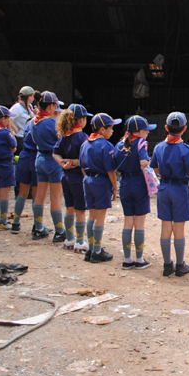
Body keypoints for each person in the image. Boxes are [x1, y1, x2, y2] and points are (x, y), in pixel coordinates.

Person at [151, 112, 189, 277]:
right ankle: (180, 265)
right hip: (179, 189)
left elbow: (155, 169)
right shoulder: (186, 150)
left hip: (164, 188)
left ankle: (167, 265)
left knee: (166, 227)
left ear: (166, 128)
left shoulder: (158, 147)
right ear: (185, 129)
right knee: (178, 228)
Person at [114, 116, 157, 270]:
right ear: (138, 132)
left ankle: (127, 259)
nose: (147, 133)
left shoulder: (119, 144)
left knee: (128, 222)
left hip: (124, 183)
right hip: (138, 183)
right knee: (139, 223)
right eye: (146, 130)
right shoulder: (141, 143)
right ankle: (139, 259)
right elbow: (144, 162)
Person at [79, 113, 121, 264]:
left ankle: (91, 249)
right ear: (102, 130)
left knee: (92, 215)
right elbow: (110, 170)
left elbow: (82, 166)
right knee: (100, 217)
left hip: (87, 180)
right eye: (111, 128)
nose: (112, 131)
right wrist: (115, 187)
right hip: (101, 181)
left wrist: (87, 178)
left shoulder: (85, 143)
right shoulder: (106, 145)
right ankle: (97, 251)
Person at [53, 104, 90, 250]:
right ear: (80, 120)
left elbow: (55, 153)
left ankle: (69, 239)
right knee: (80, 210)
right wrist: (76, 162)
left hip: (65, 176)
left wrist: (62, 163)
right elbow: (86, 158)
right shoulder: (82, 137)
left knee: (69, 208)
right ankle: (80, 242)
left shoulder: (64, 136)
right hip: (78, 177)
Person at [31, 92, 65, 241]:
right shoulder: (52, 123)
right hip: (53, 160)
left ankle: (38, 228)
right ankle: (59, 230)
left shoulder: (34, 121)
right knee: (56, 197)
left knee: (40, 195)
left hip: (40, 158)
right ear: (51, 106)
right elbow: (62, 141)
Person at [12, 92, 41, 236]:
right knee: (36, 194)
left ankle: (15, 223)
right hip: (36, 157)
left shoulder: (30, 122)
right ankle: (37, 226)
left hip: (24, 156)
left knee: (22, 193)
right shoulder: (44, 123)